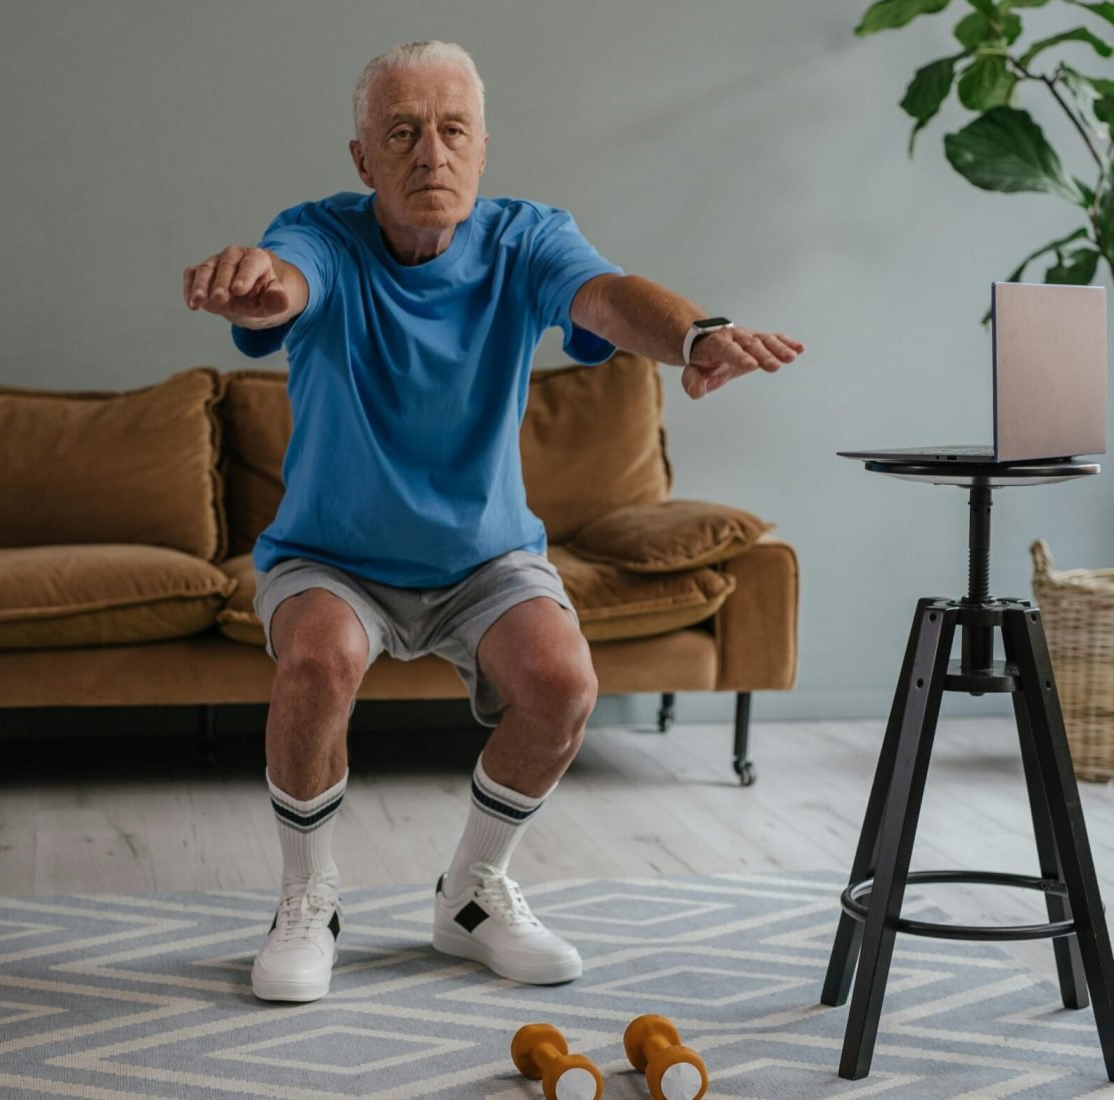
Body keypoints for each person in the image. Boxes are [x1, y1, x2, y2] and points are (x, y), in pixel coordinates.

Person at [182, 40, 805, 1004]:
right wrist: (262, 285)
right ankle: (307, 902)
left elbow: (605, 295)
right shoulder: (322, 234)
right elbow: (287, 278)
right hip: (331, 558)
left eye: (452, 131)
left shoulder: (526, 238)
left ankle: (471, 897)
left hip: (485, 558)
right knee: (317, 659)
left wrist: (695, 333)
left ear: (481, 150)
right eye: (402, 132)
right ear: (363, 161)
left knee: (562, 683)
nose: (430, 153)